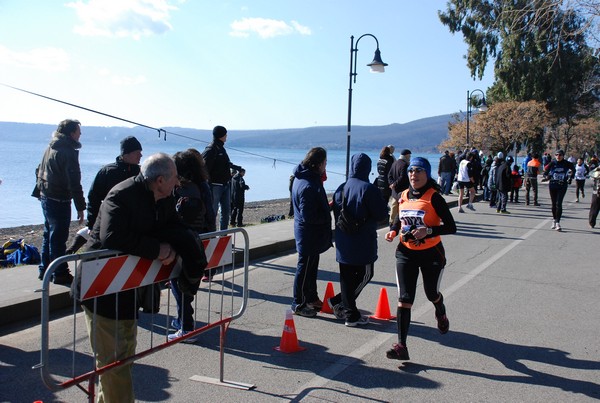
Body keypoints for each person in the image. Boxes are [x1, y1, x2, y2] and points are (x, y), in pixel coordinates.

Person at [80, 153, 207, 402]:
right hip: (101, 288)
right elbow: (112, 237)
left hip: (128, 288)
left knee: (125, 355)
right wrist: (157, 249)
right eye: (174, 180)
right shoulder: (122, 195)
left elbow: (173, 225)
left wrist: (180, 247)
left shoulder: (163, 197)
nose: (178, 184)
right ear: (160, 180)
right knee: (113, 363)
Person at [384, 157, 457, 361]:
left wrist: (429, 230)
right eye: (411, 171)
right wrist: (392, 230)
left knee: (431, 292)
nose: (413, 175)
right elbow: (400, 218)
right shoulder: (403, 195)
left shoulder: (434, 197)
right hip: (405, 252)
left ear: (427, 174)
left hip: (431, 253)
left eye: (418, 171)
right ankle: (401, 346)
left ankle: (440, 309)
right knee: (404, 299)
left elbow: (451, 227)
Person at [328, 153, 388, 327]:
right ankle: (347, 310)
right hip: (363, 240)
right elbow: (381, 215)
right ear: (367, 169)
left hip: (343, 238)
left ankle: (345, 308)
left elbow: (336, 212)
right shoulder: (368, 189)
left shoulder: (341, 187)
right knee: (366, 274)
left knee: (346, 276)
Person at [169, 149, 216, 340]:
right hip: (200, 237)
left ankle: (186, 325)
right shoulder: (203, 185)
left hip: (180, 238)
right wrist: (211, 236)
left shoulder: (178, 186)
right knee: (189, 281)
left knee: (178, 282)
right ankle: (182, 319)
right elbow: (211, 213)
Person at [32, 119, 86, 285]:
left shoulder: (51, 147)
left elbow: (38, 170)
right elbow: (74, 181)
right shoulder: (67, 151)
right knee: (58, 238)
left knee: (49, 235)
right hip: (59, 199)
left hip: (46, 197)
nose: (80, 134)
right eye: (78, 131)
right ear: (71, 133)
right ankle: (60, 273)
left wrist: (40, 192)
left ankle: (45, 270)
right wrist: (80, 206)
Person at [69, 136, 143, 253]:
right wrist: (92, 223)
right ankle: (69, 254)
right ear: (126, 154)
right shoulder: (107, 172)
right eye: (137, 152)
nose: (141, 155)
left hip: (133, 224)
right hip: (110, 221)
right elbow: (94, 198)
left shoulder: (141, 173)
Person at [291, 147, 332, 317]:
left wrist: (325, 207)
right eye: (325, 163)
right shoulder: (307, 184)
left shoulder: (306, 177)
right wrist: (325, 215)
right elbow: (309, 215)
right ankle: (299, 303)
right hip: (308, 233)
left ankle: (311, 297)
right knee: (304, 268)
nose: (326, 166)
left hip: (310, 233)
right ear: (319, 163)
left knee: (311, 268)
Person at [202, 125, 243, 231]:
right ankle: (211, 236)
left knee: (226, 212)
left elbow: (226, 163)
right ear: (221, 135)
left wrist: (237, 168)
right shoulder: (211, 149)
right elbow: (204, 167)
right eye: (225, 134)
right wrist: (208, 183)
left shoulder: (221, 148)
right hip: (215, 186)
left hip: (225, 184)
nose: (226, 136)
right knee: (213, 212)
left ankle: (223, 238)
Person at [543, 149, 575, 231]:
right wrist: (547, 177)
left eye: (560, 155)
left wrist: (571, 177)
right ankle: (554, 220)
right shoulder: (552, 163)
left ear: (563, 156)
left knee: (559, 203)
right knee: (553, 204)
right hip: (553, 185)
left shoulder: (566, 163)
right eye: (556, 155)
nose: (558, 156)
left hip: (562, 185)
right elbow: (545, 172)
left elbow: (573, 170)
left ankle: (558, 222)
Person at [388, 149, 411, 224]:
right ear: (406, 155)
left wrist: (392, 184)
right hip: (402, 190)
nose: (410, 157)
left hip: (394, 190)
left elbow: (389, 175)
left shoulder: (395, 163)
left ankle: (392, 222)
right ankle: (401, 222)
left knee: (394, 207)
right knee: (403, 207)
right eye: (409, 156)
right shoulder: (404, 164)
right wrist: (395, 184)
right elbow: (403, 177)